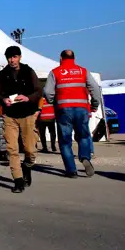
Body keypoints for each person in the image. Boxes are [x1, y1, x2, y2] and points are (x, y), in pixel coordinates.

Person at [44, 49, 103, 180]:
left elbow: (48, 92)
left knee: (65, 141)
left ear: (61, 58)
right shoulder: (83, 71)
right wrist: (94, 105)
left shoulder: (55, 72)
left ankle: (71, 170)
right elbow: (95, 89)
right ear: (74, 58)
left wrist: (53, 101)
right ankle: (85, 157)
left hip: (63, 109)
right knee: (83, 136)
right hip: (81, 108)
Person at [0, 46, 42, 193]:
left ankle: (27, 166)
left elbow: (39, 90)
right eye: (9, 57)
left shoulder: (28, 71)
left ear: (19, 57)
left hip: (27, 114)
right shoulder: (2, 74)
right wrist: (3, 100)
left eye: (14, 57)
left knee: (30, 149)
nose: (12, 60)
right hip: (10, 115)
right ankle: (18, 180)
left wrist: (28, 98)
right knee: (12, 149)